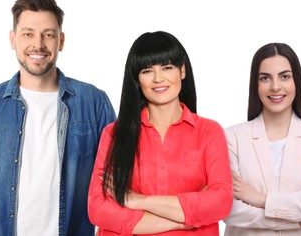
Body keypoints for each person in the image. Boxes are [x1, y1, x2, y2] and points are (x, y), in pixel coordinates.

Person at [0, 0, 116, 236]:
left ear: (61, 40)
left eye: (48, 35)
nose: (38, 45)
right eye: (28, 34)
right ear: (13, 39)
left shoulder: (94, 102)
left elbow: (115, 182)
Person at [87, 31, 233, 235]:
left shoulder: (209, 132)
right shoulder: (114, 134)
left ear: (182, 70)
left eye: (167, 67)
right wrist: (184, 221)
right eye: (147, 70)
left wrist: (139, 201)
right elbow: (98, 208)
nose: (158, 78)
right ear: (137, 78)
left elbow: (221, 202)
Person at [223, 43, 301, 235]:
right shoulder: (232, 138)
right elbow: (229, 210)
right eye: (265, 78)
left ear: (296, 81)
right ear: (255, 84)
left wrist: (261, 200)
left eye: (285, 76)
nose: (275, 86)